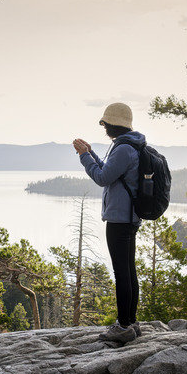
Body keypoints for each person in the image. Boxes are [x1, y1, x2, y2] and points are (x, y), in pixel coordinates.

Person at [72, 102, 145, 343]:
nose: (104, 129)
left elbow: (102, 177)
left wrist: (84, 157)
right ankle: (131, 321)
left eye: (106, 124)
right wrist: (91, 153)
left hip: (119, 219)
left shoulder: (123, 149)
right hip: (129, 217)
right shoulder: (130, 144)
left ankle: (124, 326)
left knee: (122, 273)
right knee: (129, 270)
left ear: (114, 125)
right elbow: (110, 171)